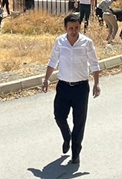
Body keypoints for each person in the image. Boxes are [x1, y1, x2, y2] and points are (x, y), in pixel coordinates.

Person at [41, 14, 101, 168]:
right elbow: (53, 61)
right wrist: (46, 79)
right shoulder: (60, 42)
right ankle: (66, 136)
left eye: (76, 28)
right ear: (65, 28)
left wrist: (96, 83)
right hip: (63, 86)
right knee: (59, 116)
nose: (73, 31)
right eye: (70, 28)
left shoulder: (86, 43)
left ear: (80, 27)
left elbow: (94, 63)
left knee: (79, 122)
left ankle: (75, 154)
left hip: (81, 88)